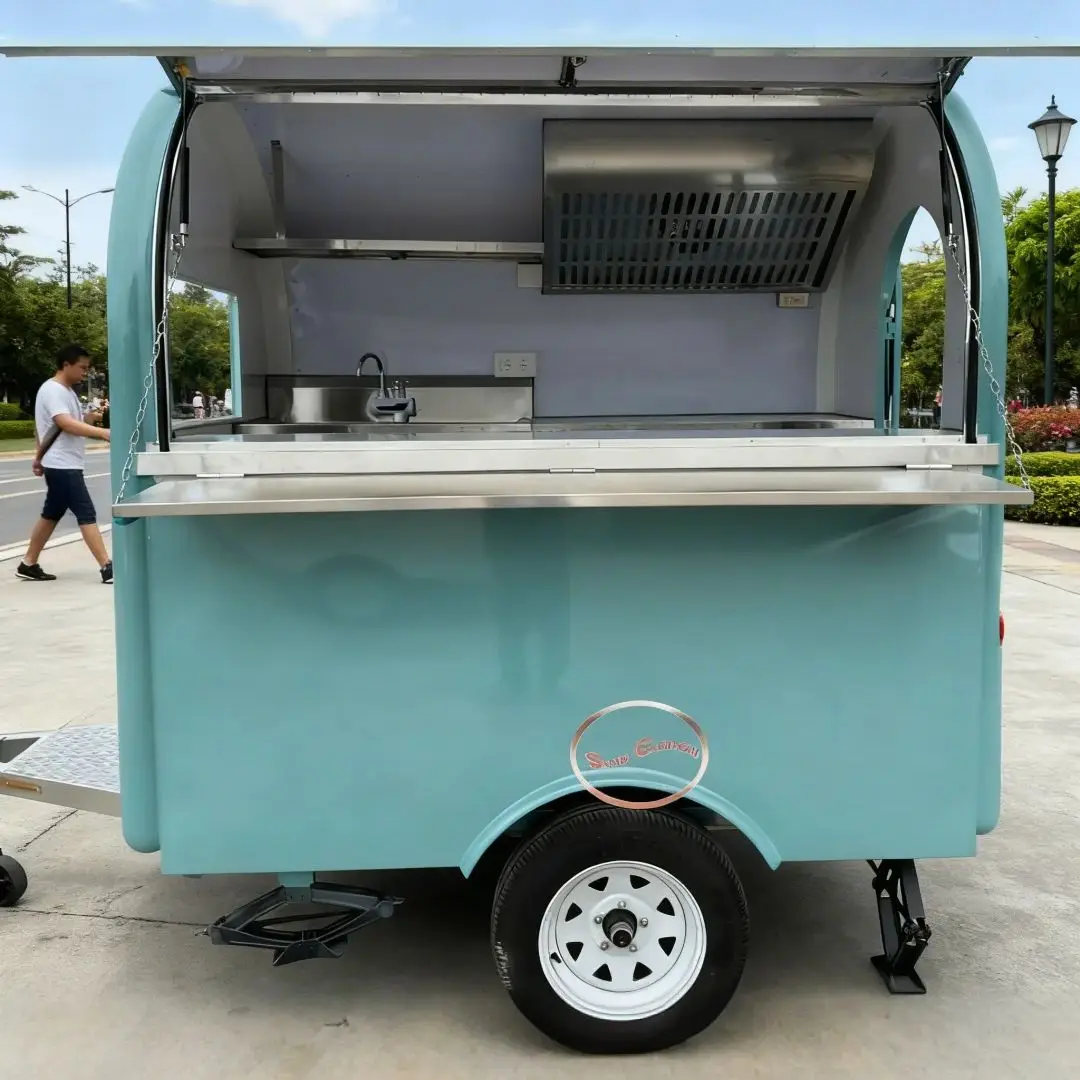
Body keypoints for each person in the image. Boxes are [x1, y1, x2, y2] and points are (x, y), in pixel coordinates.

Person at [16, 343, 113, 584]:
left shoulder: (67, 391)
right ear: (65, 365)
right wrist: (103, 433)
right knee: (86, 512)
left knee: (51, 513)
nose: (85, 373)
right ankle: (107, 567)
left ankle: (28, 563)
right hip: (62, 465)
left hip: (61, 461)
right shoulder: (53, 390)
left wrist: (39, 456)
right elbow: (65, 423)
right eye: (81, 368)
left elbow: (53, 428)